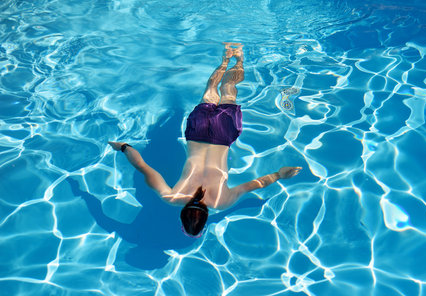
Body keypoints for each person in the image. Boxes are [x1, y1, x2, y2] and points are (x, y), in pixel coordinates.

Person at [109, 43, 302, 237]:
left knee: (229, 87)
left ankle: (239, 58)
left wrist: (279, 175)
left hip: (224, 134)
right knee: (211, 88)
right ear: (181, 219)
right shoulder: (171, 196)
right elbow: (143, 166)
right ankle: (225, 58)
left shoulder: (221, 202)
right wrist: (123, 147)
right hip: (197, 133)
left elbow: (254, 184)